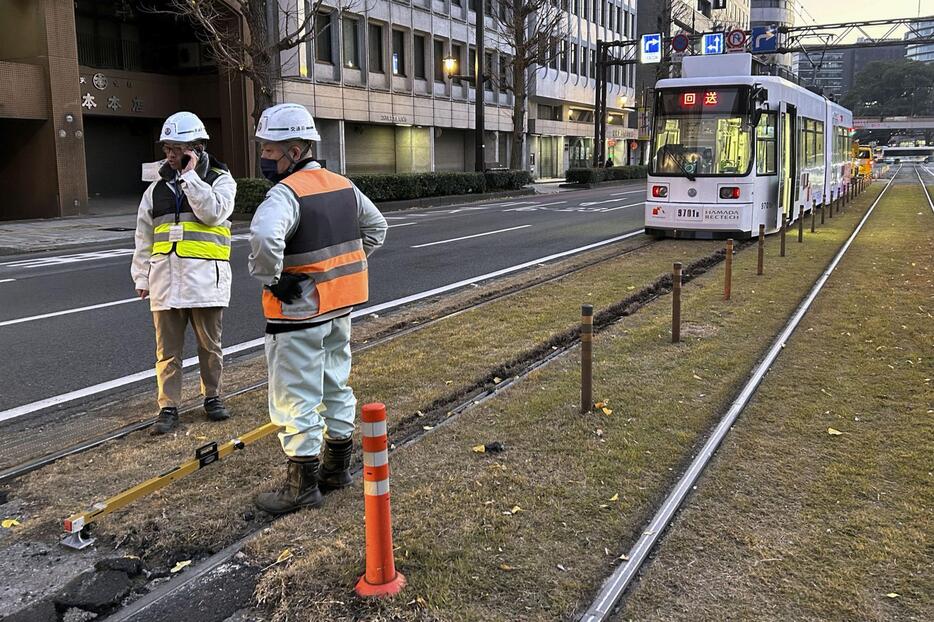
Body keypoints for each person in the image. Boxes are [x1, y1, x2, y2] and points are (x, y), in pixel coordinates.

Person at [248, 103, 388, 515]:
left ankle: (301, 486)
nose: (264, 159)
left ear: (295, 149)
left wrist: (274, 278)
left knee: (295, 395)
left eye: (270, 151)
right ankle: (337, 468)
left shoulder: (285, 194)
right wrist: (342, 271)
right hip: (339, 309)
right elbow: (377, 228)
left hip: (296, 315)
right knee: (335, 384)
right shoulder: (343, 185)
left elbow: (262, 237)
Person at [131, 111, 237, 435]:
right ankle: (168, 407)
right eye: (167, 149)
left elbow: (213, 213)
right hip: (165, 281)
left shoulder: (220, 179)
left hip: (205, 279)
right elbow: (144, 235)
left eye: (176, 149)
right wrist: (141, 276)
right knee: (167, 352)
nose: (170, 155)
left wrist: (191, 177)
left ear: (197, 147)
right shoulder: (156, 189)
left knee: (210, 347)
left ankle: (213, 397)